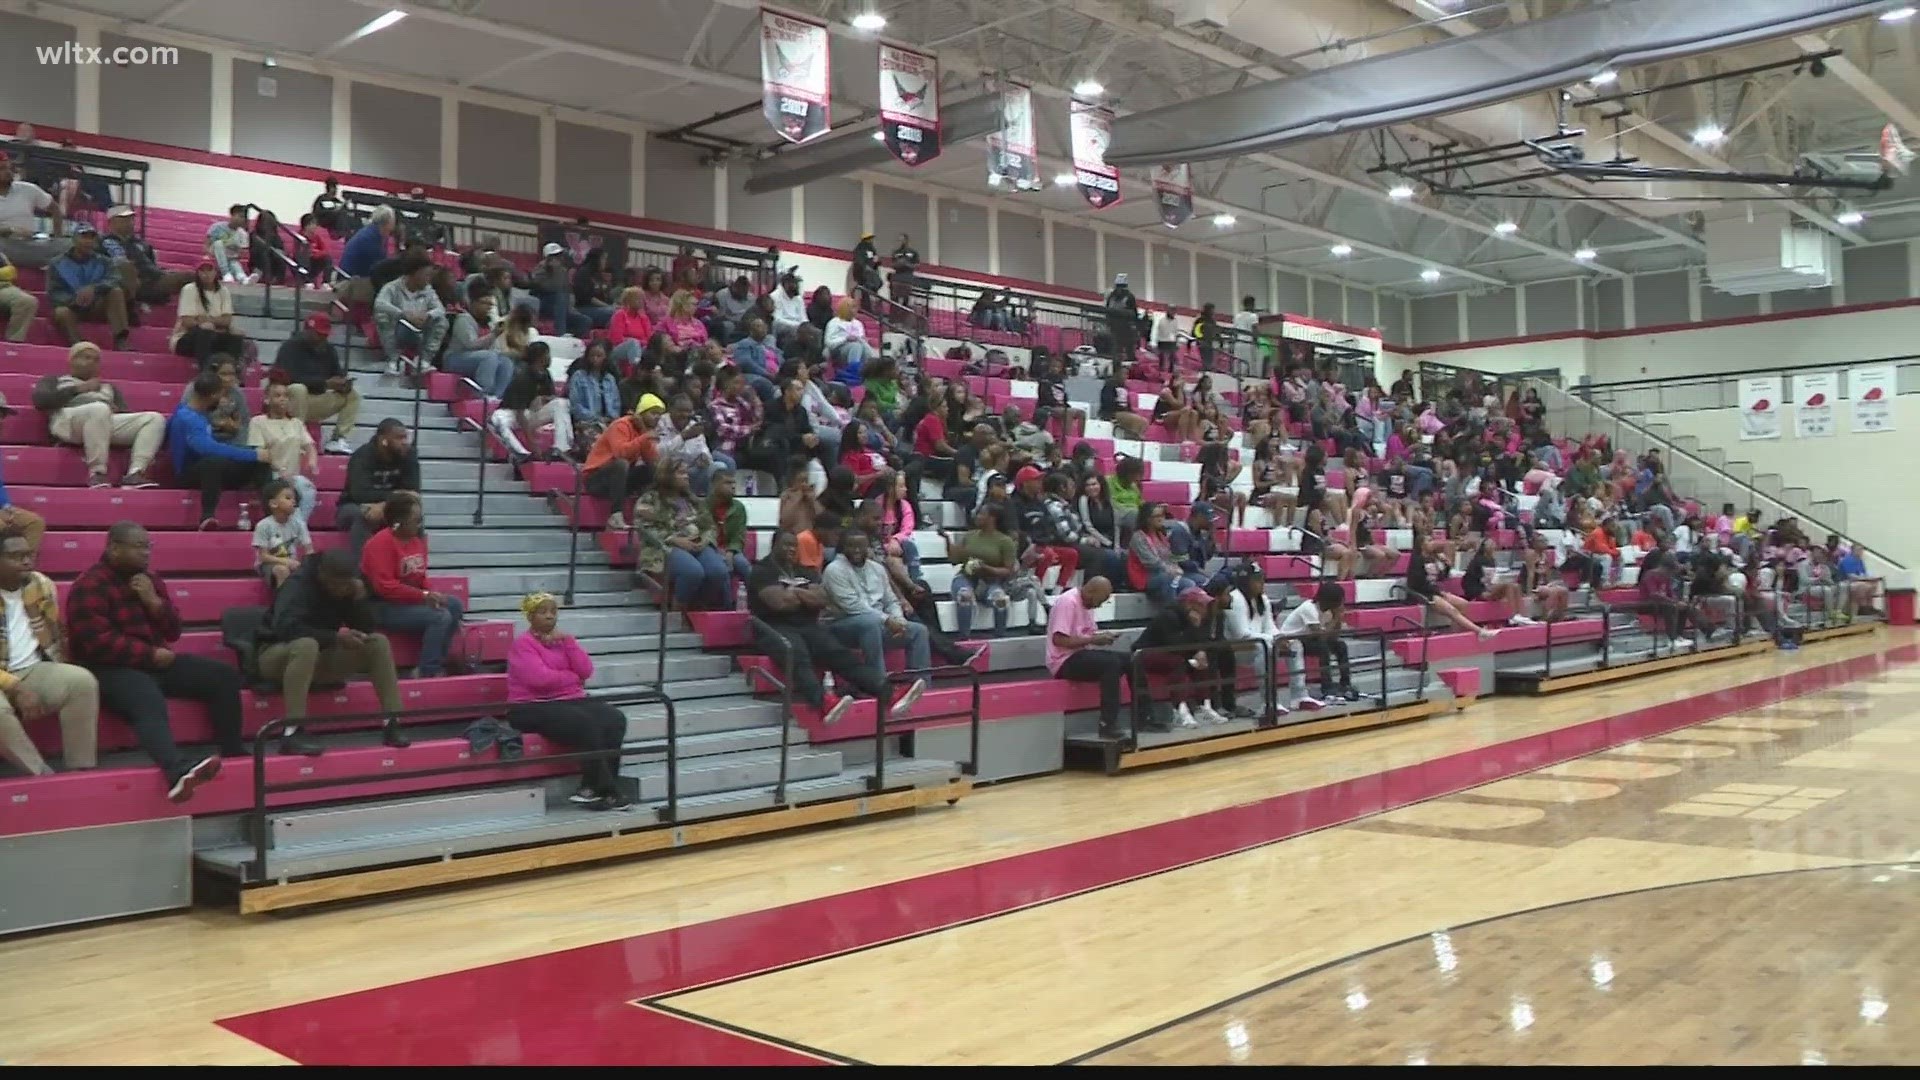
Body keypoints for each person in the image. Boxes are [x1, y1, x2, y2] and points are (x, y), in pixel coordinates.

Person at [65, 521, 244, 802]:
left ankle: (234, 753)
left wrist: (153, 602)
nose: (146, 553)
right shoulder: (90, 585)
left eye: (148, 547)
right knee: (146, 697)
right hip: (107, 668)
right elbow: (97, 643)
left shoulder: (150, 580)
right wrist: (150, 655)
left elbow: (173, 631)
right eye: (138, 547)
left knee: (221, 676)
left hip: (154, 661)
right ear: (113, 548)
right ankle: (175, 772)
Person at [255, 549, 408, 756]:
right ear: (322, 575)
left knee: (377, 642)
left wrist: (358, 600)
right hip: (275, 655)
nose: (342, 590)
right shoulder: (298, 585)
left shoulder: (348, 588)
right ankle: (292, 732)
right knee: (306, 645)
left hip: (319, 657)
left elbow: (366, 628)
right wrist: (334, 637)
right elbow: (285, 629)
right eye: (338, 585)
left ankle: (392, 722)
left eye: (347, 585)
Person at [747, 531, 902, 726]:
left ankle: (887, 692)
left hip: (807, 625)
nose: (791, 549)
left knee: (839, 653)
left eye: (794, 546)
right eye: (786, 545)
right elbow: (779, 603)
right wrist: (804, 594)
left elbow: (822, 599)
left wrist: (793, 592)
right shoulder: (762, 571)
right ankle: (823, 703)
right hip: (772, 626)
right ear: (774, 545)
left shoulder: (805, 570)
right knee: (797, 653)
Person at [507, 593, 632, 812]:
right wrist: (572, 678)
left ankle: (590, 789)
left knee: (614, 718)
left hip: (569, 700)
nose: (549, 617)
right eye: (543, 612)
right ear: (530, 616)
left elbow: (586, 670)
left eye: (553, 612)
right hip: (530, 706)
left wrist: (569, 643)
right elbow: (539, 680)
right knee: (583, 722)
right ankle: (609, 791)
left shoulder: (563, 641)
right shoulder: (522, 645)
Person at [0, 527, 98, 777]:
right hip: (4, 676)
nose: (26, 561)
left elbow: (54, 634)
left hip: (32, 668)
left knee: (81, 681)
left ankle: (81, 771)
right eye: (16, 556)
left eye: (29, 554)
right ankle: (41, 775)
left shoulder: (41, 585)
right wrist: (16, 688)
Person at [821, 530, 930, 712]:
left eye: (861, 546)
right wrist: (887, 621)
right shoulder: (834, 570)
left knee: (918, 631)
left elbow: (890, 600)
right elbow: (853, 606)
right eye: (851, 546)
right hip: (842, 626)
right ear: (843, 548)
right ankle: (880, 687)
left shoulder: (877, 569)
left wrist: (898, 621)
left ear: (868, 548)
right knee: (869, 623)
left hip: (878, 623)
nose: (856, 550)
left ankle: (919, 687)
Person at [31, 341, 165, 489]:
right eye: (86, 357)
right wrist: (79, 389)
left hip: (102, 422)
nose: (91, 362)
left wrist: (115, 410)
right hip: (67, 421)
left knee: (154, 418)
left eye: (96, 360)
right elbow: (41, 401)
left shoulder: (108, 387)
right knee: (99, 409)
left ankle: (136, 473)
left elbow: (124, 413)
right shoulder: (54, 380)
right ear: (72, 360)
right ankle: (97, 473)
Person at [361, 492, 465, 679]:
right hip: (381, 605)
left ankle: (438, 661)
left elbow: (420, 575)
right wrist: (423, 596)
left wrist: (430, 593)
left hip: (408, 600)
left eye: (421, 519)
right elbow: (385, 587)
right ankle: (428, 671)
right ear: (398, 522)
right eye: (415, 520)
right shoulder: (379, 544)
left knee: (454, 605)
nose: (420, 525)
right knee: (440, 616)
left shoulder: (418, 541)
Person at [168, 369, 272, 531]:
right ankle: (207, 516)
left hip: (211, 472)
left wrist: (255, 455)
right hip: (188, 473)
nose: (223, 400)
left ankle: (269, 517)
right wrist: (252, 454)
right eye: (220, 395)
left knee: (260, 460)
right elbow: (206, 448)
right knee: (214, 461)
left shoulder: (201, 415)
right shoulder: (186, 416)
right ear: (212, 396)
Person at [634, 458, 734, 609]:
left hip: (696, 544)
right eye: (681, 473)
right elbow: (644, 529)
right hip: (664, 547)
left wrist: (704, 540)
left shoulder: (693, 500)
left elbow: (709, 526)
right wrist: (674, 539)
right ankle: (677, 611)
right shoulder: (650, 499)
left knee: (718, 571)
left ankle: (697, 607)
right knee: (692, 571)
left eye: (686, 472)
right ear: (667, 475)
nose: (687, 476)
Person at [1047, 576, 1129, 738]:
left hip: (1081, 655)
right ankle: (1107, 724)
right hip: (1063, 661)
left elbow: (1086, 635)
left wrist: (1102, 637)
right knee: (1110, 663)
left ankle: (1144, 715)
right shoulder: (1068, 602)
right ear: (1091, 591)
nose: (1101, 604)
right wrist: (1094, 639)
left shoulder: (1088, 604)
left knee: (1130, 659)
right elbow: (1059, 639)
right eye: (1101, 599)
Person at [1135, 586, 1227, 729]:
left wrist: (1200, 651)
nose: (1205, 608)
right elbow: (1174, 644)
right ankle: (1180, 711)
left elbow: (1201, 641)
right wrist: (1194, 628)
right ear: (1188, 604)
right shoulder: (1168, 615)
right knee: (1178, 662)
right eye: (1201, 604)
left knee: (1200, 662)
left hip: (1173, 653)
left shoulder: (1199, 618)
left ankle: (1205, 706)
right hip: (1145, 653)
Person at [274, 313, 360, 454]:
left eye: (325, 335)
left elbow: (337, 374)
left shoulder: (329, 349)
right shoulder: (290, 347)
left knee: (353, 395)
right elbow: (287, 378)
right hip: (289, 402)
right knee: (298, 389)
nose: (322, 338)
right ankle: (297, 437)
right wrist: (325, 383)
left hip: (315, 401)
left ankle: (338, 439)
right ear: (308, 330)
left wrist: (342, 384)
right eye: (319, 334)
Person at [338, 419, 421, 557]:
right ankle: (362, 571)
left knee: (413, 514)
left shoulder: (408, 454)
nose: (404, 442)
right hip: (351, 507)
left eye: (405, 437)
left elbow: (413, 492)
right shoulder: (362, 456)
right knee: (364, 515)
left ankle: (413, 566)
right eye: (399, 438)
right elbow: (360, 494)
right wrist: (395, 498)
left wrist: (385, 505)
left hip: (390, 507)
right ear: (383, 440)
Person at [1406, 527, 1498, 640]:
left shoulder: (1433, 558)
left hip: (1434, 591)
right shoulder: (1416, 560)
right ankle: (1479, 632)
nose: (1433, 543)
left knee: (1464, 604)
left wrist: (1447, 565)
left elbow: (1441, 577)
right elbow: (1418, 583)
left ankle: (1455, 635)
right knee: (1452, 610)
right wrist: (1439, 592)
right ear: (1421, 545)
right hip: (1421, 593)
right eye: (1429, 541)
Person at [47, 224, 128, 350]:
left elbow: (115, 279)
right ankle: (79, 345)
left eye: (92, 238)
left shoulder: (104, 261)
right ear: (74, 239)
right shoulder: (57, 263)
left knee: (116, 292)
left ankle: (121, 339)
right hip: (71, 307)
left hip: (96, 304)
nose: (88, 242)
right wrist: (75, 299)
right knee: (61, 312)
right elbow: (54, 292)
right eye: (84, 237)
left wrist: (94, 288)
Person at [249, 380, 320, 523]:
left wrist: (312, 462)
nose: (283, 399)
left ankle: (298, 526)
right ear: (267, 400)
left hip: (293, 475)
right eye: (277, 395)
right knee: (284, 493)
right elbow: (260, 452)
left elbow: (309, 446)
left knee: (308, 490)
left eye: (286, 396)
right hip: (269, 473)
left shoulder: (296, 424)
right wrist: (280, 471)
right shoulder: (258, 422)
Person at [491, 343, 573, 464]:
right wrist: (532, 443)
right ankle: (522, 454)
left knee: (562, 403)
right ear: (539, 358)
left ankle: (561, 448)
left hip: (533, 412)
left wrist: (543, 398)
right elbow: (520, 415)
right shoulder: (523, 377)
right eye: (547, 354)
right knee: (497, 419)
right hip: (512, 414)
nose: (550, 358)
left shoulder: (545, 374)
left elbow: (553, 397)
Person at [1277, 581, 1355, 708]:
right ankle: (1327, 687)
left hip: (1309, 638)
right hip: (1292, 640)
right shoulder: (1309, 608)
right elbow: (1321, 636)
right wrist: (1336, 618)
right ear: (1330, 600)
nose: (1341, 604)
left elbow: (1333, 636)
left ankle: (1345, 683)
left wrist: (1338, 619)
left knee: (1341, 646)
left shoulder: (1328, 611)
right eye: (1339, 601)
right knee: (1322, 647)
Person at [949, 502, 1022, 637]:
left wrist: (987, 568)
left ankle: (1000, 636)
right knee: (964, 595)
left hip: (992, 581)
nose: (977, 517)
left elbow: (1008, 571)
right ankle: (964, 637)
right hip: (967, 577)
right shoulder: (970, 536)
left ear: (992, 518)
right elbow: (955, 560)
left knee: (1000, 600)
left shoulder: (1005, 541)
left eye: (982, 514)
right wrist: (948, 542)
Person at [373, 253, 448, 375]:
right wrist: (403, 314)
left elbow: (440, 309)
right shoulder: (392, 287)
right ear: (415, 273)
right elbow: (379, 303)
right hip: (398, 327)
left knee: (441, 321)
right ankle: (393, 360)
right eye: (426, 275)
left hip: (421, 328)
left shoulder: (428, 290)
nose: (429, 279)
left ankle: (423, 361)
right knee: (382, 315)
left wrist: (428, 315)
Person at [168, 260, 247, 366]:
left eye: (209, 270)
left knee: (237, 335)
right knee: (206, 329)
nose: (206, 274)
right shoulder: (189, 289)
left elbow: (227, 320)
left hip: (215, 335)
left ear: (215, 272)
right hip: (186, 338)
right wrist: (212, 322)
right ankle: (205, 371)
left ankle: (233, 374)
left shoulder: (223, 291)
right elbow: (187, 322)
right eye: (202, 271)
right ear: (198, 273)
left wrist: (205, 319)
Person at [444, 282, 514, 400]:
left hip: (480, 358)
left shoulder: (490, 322)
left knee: (505, 361)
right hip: (455, 358)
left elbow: (494, 348)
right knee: (489, 357)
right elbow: (471, 345)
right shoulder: (464, 319)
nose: (488, 307)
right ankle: (481, 394)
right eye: (485, 303)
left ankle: (496, 397)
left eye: (490, 305)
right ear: (474, 302)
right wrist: (494, 334)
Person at [0, 152, 67, 268]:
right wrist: (10, 230)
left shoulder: (27, 189)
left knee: (68, 245)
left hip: (29, 244)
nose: (8, 172)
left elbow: (55, 209)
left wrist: (58, 237)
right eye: (2, 169)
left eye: (9, 168)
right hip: (4, 246)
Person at [254, 479, 313, 591]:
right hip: (269, 564)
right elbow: (263, 556)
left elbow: (309, 551)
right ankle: (283, 605)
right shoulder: (263, 525)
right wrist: (287, 561)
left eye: (294, 499)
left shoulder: (299, 524)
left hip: (292, 562)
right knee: (282, 570)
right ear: (273, 503)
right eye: (288, 498)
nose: (293, 502)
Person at [823, 296, 869, 382]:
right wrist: (846, 339)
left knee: (864, 346)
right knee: (856, 346)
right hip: (837, 350)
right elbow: (828, 342)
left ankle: (868, 373)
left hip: (857, 347)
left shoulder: (858, 323)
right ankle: (853, 373)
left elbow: (861, 338)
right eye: (853, 307)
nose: (856, 310)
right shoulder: (834, 322)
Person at [205, 204, 253, 283]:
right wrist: (207, 255)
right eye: (240, 216)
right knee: (218, 243)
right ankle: (226, 273)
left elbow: (242, 253)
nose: (242, 219)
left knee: (234, 263)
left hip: (231, 256)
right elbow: (207, 244)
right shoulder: (217, 227)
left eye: (243, 217)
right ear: (232, 215)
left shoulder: (243, 234)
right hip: (215, 253)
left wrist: (234, 253)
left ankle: (243, 278)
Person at [1103, 274, 1140, 364]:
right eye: (1119, 287)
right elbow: (1107, 311)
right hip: (1114, 328)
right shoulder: (1111, 297)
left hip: (1126, 329)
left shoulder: (1129, 297)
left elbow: (1134, 314)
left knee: (1129, 351)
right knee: (1116, 351)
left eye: (1121, 287)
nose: (1120, 289)